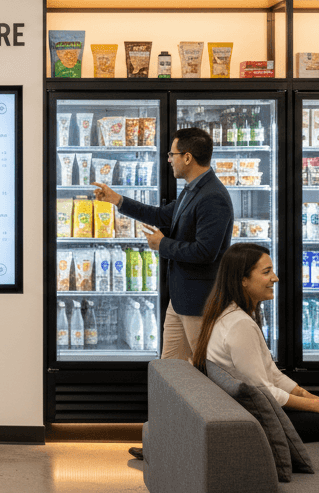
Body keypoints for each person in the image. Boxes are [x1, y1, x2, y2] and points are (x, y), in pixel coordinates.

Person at [96, 126, 234, 461]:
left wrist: (163, 246)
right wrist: (118, 200)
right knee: (169, 373)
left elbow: (207, 252)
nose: (169, 159)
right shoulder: (191, 190)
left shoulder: (213, 196)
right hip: (181, 299)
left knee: (206, 375)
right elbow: (161, 216)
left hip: (200, 302)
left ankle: (210, 447)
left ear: (188, 157)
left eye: (172, 154)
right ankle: (163, 443)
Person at [191, 242, 319, 448]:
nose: (275, 278)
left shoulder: (229, 313)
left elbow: (272, 374)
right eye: (266, 272)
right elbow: (263, 391)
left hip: (249, 410)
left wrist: (310, 397)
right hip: (256, 419)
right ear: (243, 280)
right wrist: (316, 405)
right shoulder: (240, 324)